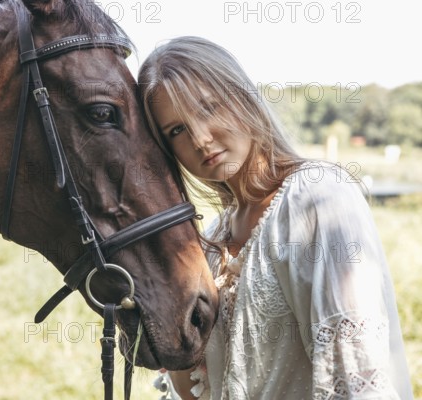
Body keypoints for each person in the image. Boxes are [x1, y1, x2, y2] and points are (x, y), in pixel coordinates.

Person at [138, 36, 414, 400]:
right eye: (177, 131)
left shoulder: (318, 199)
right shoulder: (208, 241)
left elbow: (355, 375)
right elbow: (192, 392)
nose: (201, 139)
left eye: (208, 109)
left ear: (242, 97)